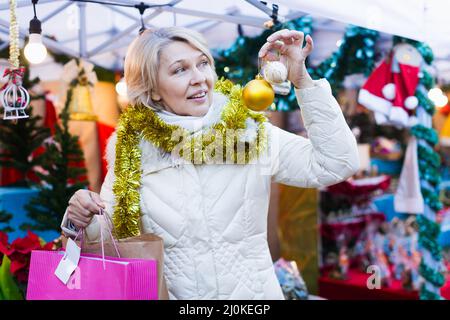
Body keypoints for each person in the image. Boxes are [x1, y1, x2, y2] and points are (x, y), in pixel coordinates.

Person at [61, 27, 359, 300]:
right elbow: (106, 237)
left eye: (203, 63)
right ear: (152, 89)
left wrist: (302, 82)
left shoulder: (248, 133)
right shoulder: (132, 151)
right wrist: (78, 217)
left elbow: (335, 163)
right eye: (179, 70)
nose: (199, 78)